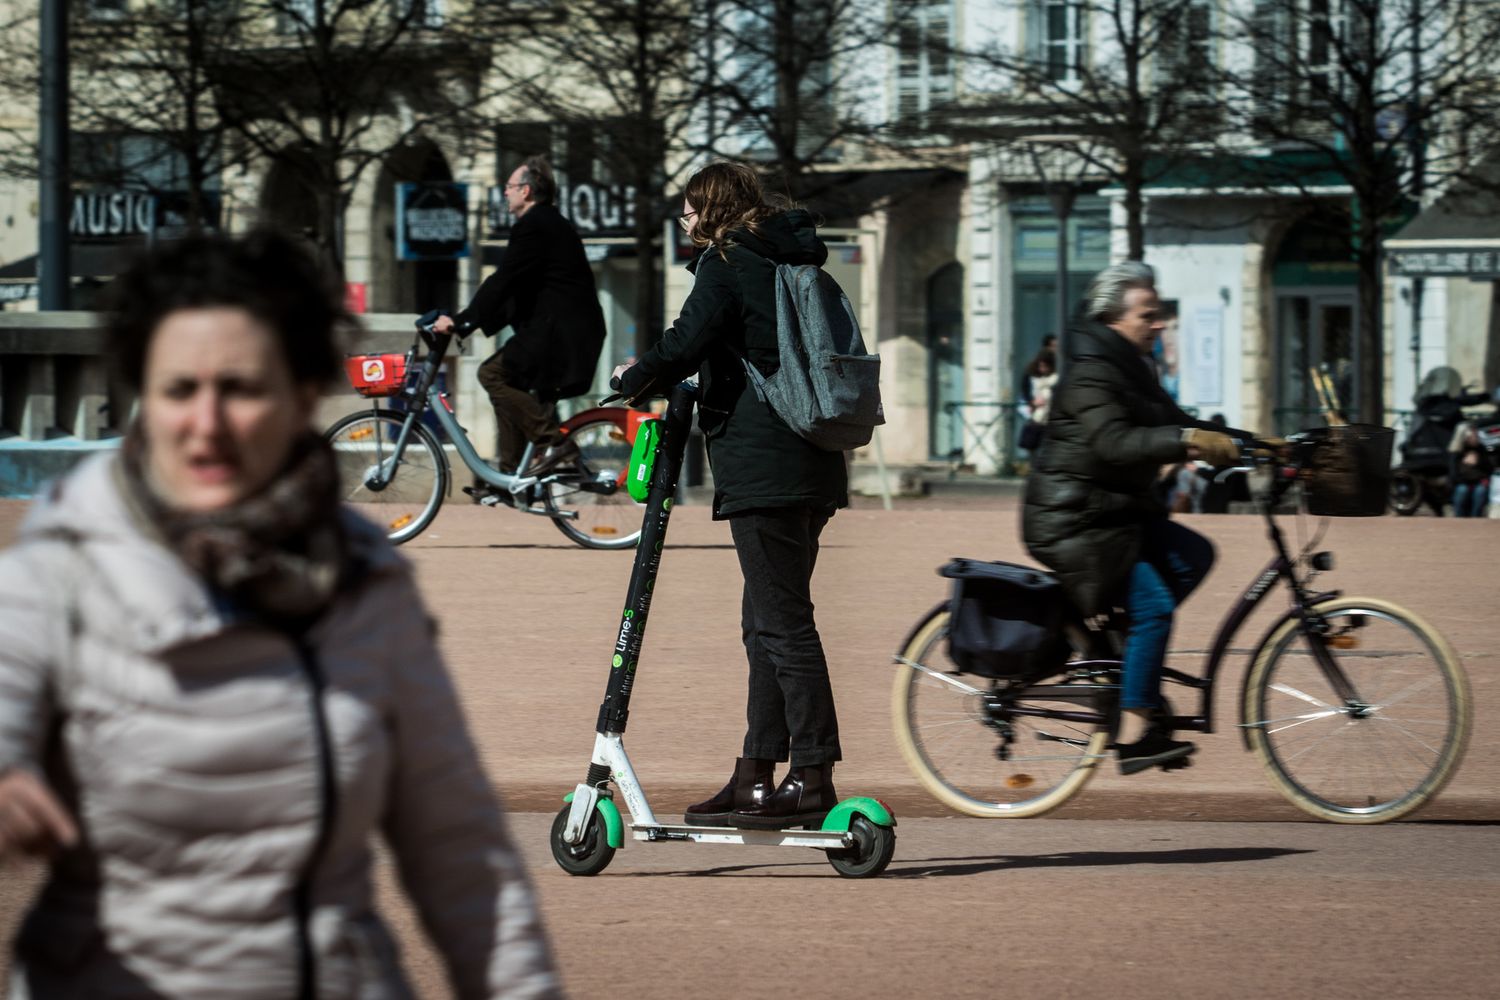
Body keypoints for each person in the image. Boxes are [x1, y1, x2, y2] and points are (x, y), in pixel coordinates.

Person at [0, 232, 560, 999]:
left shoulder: (368, 580)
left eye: (242, 387)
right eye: (176, 389)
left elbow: (463, 857)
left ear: (303, 396)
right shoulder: (58, 568)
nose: (208, 421)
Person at [613, 162, 847, 829]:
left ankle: (813, 775)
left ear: (712, 209)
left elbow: (688, 342)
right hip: (814, 461)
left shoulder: (729, 261)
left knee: (782, 624)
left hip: (764, 465)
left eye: (688, 210)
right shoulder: (784, 257)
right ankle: (755, 772)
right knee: (765, 621)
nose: (683, 221)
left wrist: (637, 373)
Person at [1021, 261, 1251, 775]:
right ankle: (1142, 722)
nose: (1160, 322)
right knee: (1155, 608)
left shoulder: (1130, 364)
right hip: (1072, 522)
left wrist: (1255, 442)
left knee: (1194, 554)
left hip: (1112, 514)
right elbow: (1114, 442)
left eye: (1159, 312)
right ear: (1113, 318)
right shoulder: (1089, 369)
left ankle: (1117, 655)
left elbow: (1174, 422)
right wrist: (1188, 442)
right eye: (1148, 314)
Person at [435, 155, 606, 492]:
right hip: (563, 331)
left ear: (526, 191)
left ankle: (556, 444)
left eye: (509, 187)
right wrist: (472, 322)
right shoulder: (548, 223)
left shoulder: (535, 225)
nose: (504, 193)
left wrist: (461, 321)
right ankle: (509, 479)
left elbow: (504, 280)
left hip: (560, 334)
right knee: (508, 386)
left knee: (491, 374)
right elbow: (518, 290)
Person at [1449, 422, 1494, 517]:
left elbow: (1489, 469)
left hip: (1478, 482)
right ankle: (1459, 518)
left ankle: (1475, 518)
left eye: (1476, 435)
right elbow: (1453, 473)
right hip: (1462, 482)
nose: (1475, 437)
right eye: (1472, 435)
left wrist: (1479, 461)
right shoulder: (1457, 451)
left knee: (1480, 491)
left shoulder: (1481, 449)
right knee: (1462, 490)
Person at [1018, 349, 1057, 453]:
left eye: (1045, 366)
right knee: (1034, 450)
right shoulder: (1032, 376)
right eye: (1041, 366)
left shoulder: (1055, 379)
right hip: (1036, 418)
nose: (1042, 369)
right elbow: (1025, 390)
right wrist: (1032, 402)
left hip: (1050, 420)